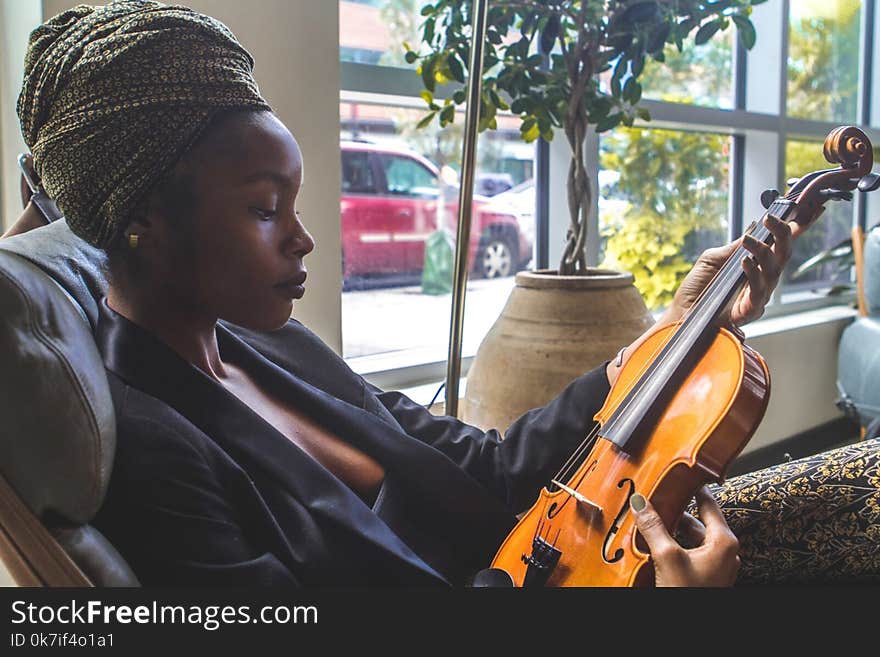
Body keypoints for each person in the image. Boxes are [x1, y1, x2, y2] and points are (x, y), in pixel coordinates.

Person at [11, 1, 879, 587]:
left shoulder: (267, 344)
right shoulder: (159, 462)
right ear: (143, 223)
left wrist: (663, 338)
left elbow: (483, 465)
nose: (304, 239)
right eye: (264, 210)